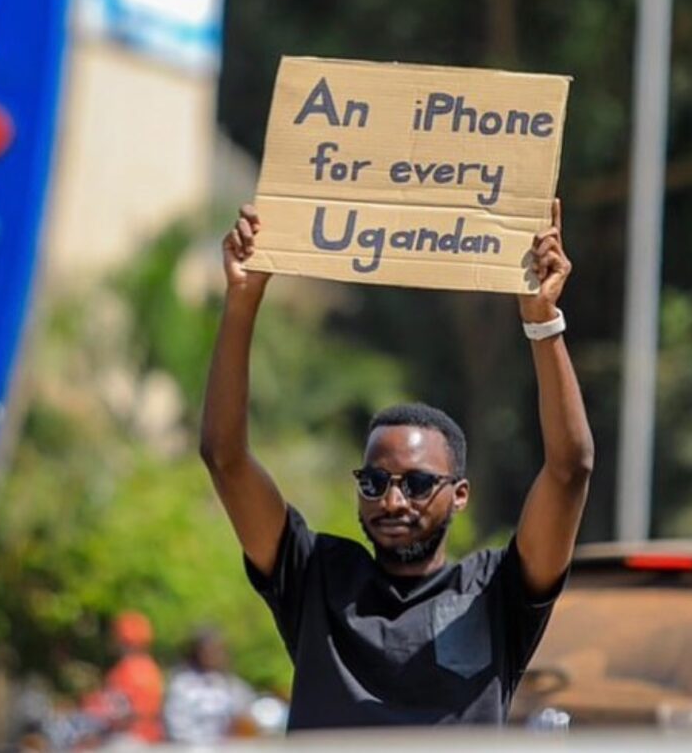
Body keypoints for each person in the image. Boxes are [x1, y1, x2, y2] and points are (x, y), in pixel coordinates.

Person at [200, 200, 593, 730]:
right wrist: (243, 301)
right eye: (375, 481)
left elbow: (570, 471)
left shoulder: (497, 594)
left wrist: (542, 320)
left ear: (459, 494)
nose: (391, 500)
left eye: (418, 484)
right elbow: (225, 458)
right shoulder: (315, 576)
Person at [163, 627, 255, 743]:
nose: (212, 654)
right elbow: (177, 726)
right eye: (207, 649)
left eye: (217, 649)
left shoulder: (234, 686)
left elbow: (246, 721)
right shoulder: (181, 685)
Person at [100, 610, 165, 743]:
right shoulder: (151, 667)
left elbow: (122, 715)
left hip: (130, 739)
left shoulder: (128, 671)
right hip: (150, 739)